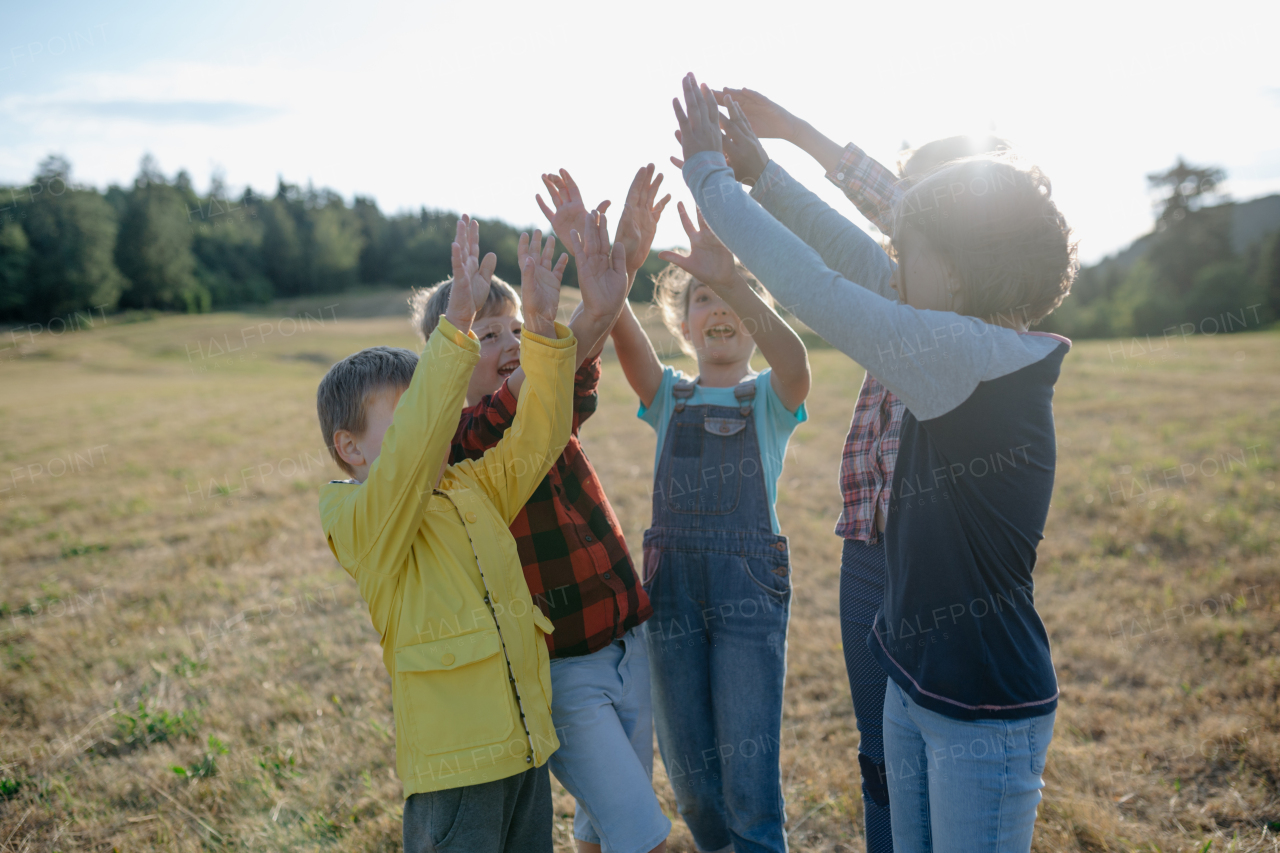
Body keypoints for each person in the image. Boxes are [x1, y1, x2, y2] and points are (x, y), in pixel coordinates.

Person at [673, 73, 1075, 852]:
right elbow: (846, 254)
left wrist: (709, 177)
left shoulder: (964, 355)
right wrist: (761, 176)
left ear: (954, 271)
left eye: (910, 251)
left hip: (983, 709)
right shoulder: (958, 331)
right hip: (916, 676)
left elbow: (816, 285)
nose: (893, 264)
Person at [317, 216, 598, 853]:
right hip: (456, 768)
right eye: (417, 408)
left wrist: (549, 334)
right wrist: (455, 333)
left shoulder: (468, 486)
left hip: (524, 746)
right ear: (350, 448)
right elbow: (414, 452)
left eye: (439, 404)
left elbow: (541, 436)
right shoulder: (358, 520)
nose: (439, 419)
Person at [411, 202, 671, 853]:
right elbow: (537, 381)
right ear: (446, 361)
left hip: (626, 638)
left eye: (513, 329)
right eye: (486, 335)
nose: (506, 345)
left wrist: (619, 282)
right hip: (559, 669)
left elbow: (569, 375)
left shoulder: (547, 405)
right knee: (642, 830)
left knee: (602, 821)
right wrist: (563, 330)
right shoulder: (461, 444)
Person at [607, 167, 811, 852]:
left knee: (749, 774)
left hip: (747, 596)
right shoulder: (669, 397)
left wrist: (729, 278)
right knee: (691, 774)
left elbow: (795, 360)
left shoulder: (770, 400)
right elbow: (624, 339)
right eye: (702, 297)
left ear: (755, 313)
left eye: (735, 295)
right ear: (685, 322)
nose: (719, 307)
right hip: (674, 599)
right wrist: (618, 267)